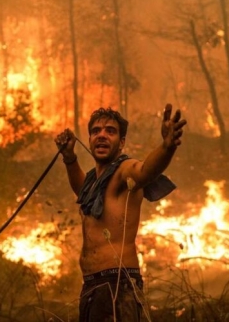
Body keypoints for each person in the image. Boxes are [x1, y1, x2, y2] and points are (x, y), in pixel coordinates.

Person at [55, 103, 187, 321]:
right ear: (89, 140)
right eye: (96, 131)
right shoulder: (92, 183)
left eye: (111, 131)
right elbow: (81, 190)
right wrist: (69, 158)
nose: (102, 136)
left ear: (122, 142)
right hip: (91, 287)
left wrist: (167, 146)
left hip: (118, 285)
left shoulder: (123, 172)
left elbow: (145, 171)